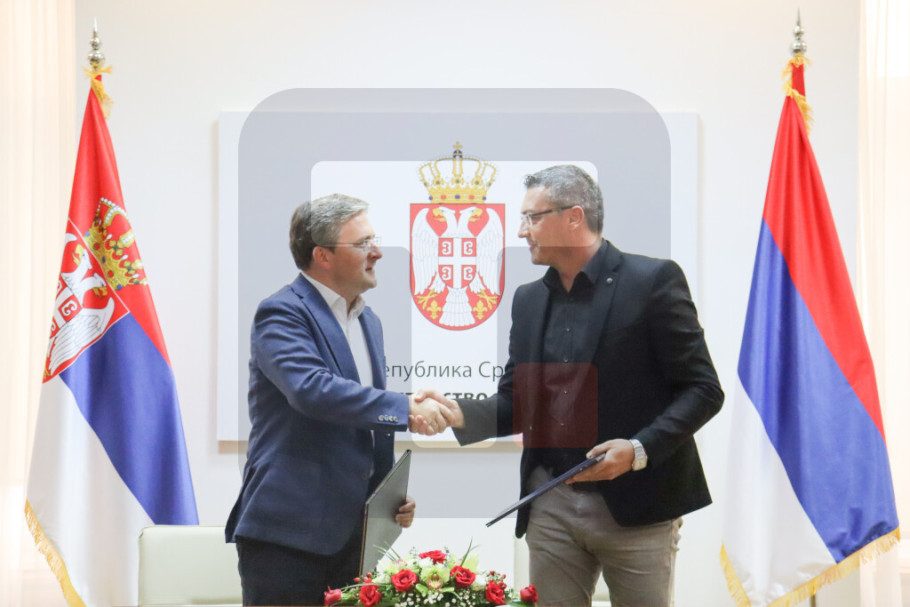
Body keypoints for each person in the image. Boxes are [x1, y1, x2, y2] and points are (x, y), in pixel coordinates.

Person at [421, 165, 723, 607]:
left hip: (639, 504)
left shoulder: (652, 281)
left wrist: (638, 449)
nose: (521, 231)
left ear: (574, 217)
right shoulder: (528, 299)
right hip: (551, 503)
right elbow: (519, 402)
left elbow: (703, 389)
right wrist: (460, 412)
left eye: (532, 217)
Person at [225, 193, 450, 606]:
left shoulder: (368, 321)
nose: (377, 252)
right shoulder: (282, 312)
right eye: (363, 243)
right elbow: (312, 390)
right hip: (287, 540)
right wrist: (404, 408)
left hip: (354, 542)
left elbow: (359, 415)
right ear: (323, 255)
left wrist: (385, 497)